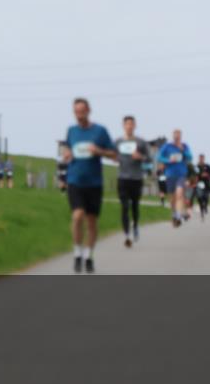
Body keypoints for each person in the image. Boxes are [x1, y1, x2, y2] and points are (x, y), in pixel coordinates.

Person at [60, 98, 117, 273]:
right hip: (75, 180)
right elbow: (66, 149)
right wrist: (66, 153)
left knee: (92, 222)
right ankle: (77, 253)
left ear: (89, 110)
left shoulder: (100, 131)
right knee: (77, 216)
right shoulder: (71, 131)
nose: (79, 115)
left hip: (94, 183)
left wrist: (99, 151)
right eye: (76, 112)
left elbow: (114, 154)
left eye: (82, 111)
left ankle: (88, 255)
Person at [115, 115, 151, 247]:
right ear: (123, 126)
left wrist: (140, 156)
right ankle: (127, 235)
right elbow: (111, 153)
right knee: (125, 207)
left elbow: (149, 158)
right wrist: (114, 157)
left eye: (132, 124)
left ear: (135, 126)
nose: (129, 126)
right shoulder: (118, 142)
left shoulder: (140, 142)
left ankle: (135, 225)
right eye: (127, 124)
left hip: (136, 178)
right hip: (122, 178)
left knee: (135, 206)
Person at [157, 129, 193, 227]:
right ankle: (174, 214)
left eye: (178, 136)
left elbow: (190, 157)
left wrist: (183, 151)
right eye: (175, 136)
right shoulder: (167, 146)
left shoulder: (185, 146)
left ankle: (178, 216)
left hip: (181, 175)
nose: (177, 137)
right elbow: (158, 157)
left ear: (180, 137)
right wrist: (168, 160)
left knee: (179, 193)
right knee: (172, 199)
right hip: (170, 175)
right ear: (173, 137)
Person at [195, 154, 210, 219]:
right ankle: (201, 210)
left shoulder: (207, 166)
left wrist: (208, 175)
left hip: (207, 183)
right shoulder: (196, 167)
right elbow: (194, 174)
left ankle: (206, 206)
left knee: (206, 196)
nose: (201, 159)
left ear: (204, 159)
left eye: (202, 158)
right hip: (199, 183)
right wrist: (200, 175)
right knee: (199, 196)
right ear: (199, 159)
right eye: (200, 158)